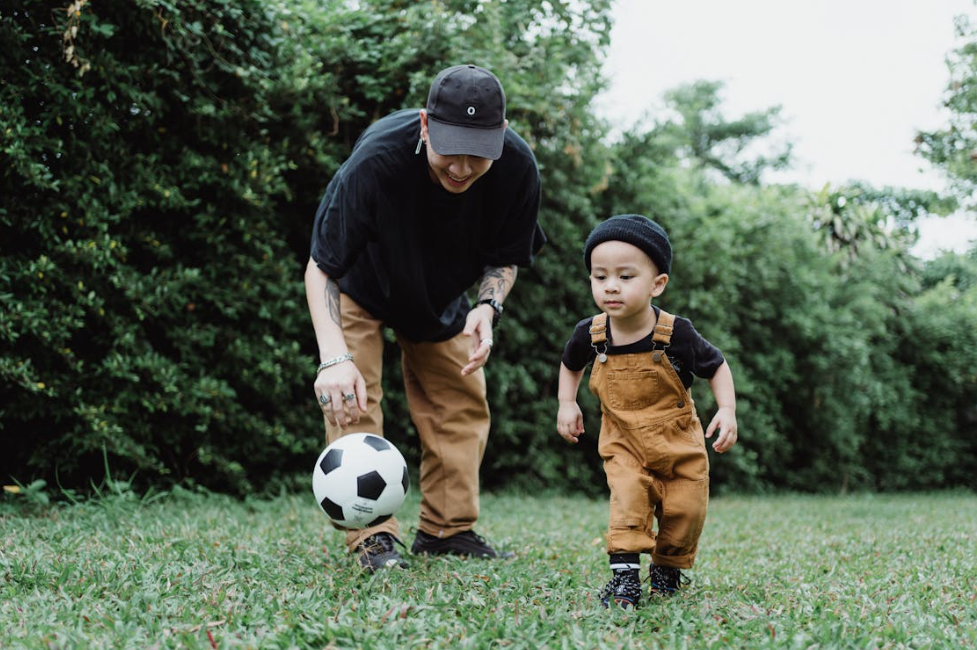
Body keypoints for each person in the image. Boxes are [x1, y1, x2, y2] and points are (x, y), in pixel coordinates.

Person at [306, 64, 544, 572]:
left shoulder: (518, 167)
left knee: (461, 400)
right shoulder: (376, 159)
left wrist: (488, 305)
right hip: (361, 284)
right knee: (352, 402)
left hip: (438, 296)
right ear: (424, 125)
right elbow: (322, 266)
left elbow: (506, 255)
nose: (461, 166)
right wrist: (333, 358)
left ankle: (446, 530)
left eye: (477, 154)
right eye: (449, 149)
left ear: (501, 136)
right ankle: (371, 538)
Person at [556, 214, 738, 608]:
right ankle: (624, 580)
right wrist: (566, 403)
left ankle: (666, 568)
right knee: (627, 499)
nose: (610, 287)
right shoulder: (591, 334)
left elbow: (716, 365)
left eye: (625, 276)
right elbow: (570, 364)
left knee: (686, 510)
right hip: (623, 441)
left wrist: (726, 409)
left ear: (657, 284)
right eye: (599, 276)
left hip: (678, 441)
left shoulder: (677, 334)